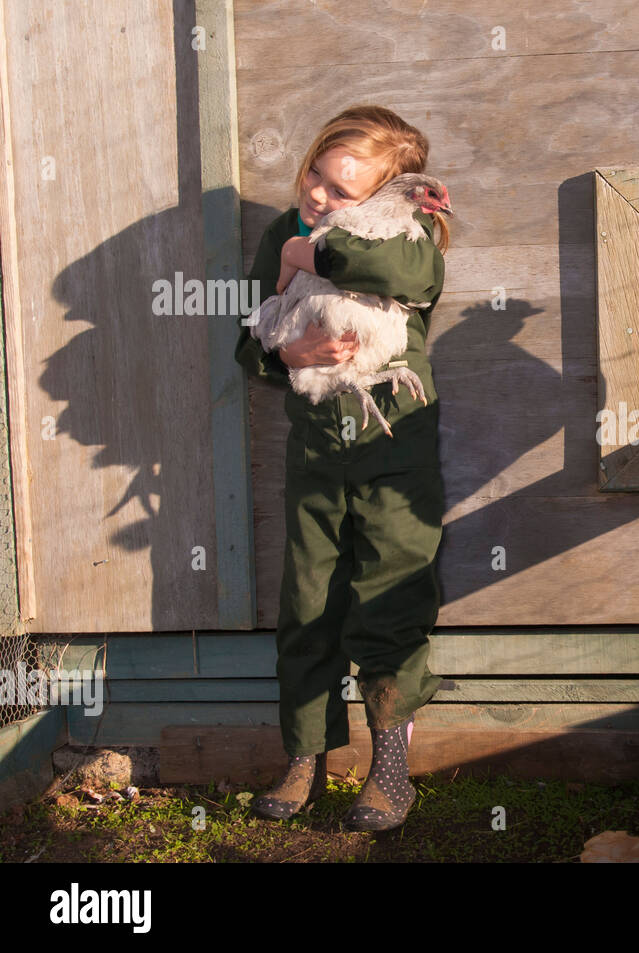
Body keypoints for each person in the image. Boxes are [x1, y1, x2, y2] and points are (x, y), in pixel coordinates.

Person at [234, 105, 449, 832]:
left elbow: (406, 275)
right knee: (309, 600)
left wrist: (314, 256)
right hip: (317, 450)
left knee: (391, 594)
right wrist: (282, 352)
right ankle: (304, 756)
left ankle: (390, 769)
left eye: (341, 190)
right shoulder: (279, 236)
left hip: (396, 452)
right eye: (315, 176)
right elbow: (247, 338)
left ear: (385, 197)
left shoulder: (409, 239)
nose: (319, 197)